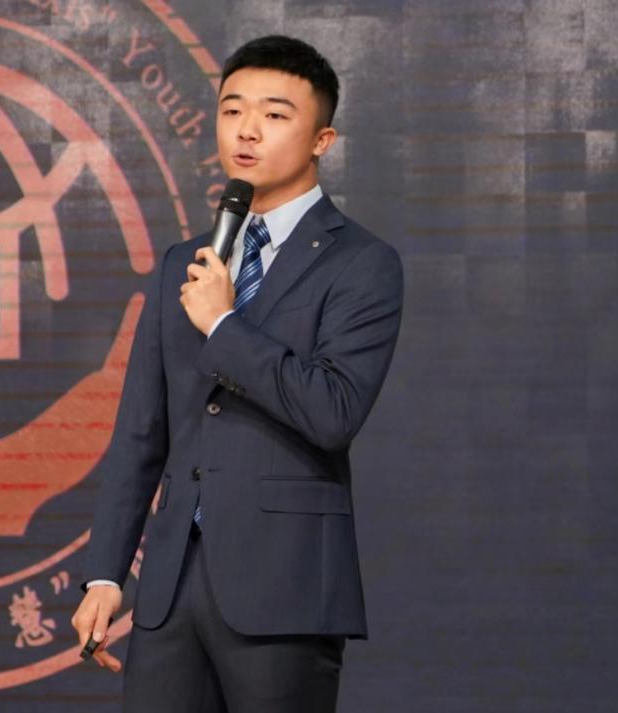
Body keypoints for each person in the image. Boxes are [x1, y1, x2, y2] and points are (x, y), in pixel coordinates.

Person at [71, 35, 404, 712]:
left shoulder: (362, 263)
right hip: (170, 591)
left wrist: (225, 326)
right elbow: (141, 433)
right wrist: (105, 573)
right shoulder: (186, 262)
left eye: (275, 114)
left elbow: (333, 411)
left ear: (322, 139)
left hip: (284, 588)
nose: (247, 130)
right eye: (232, 110)